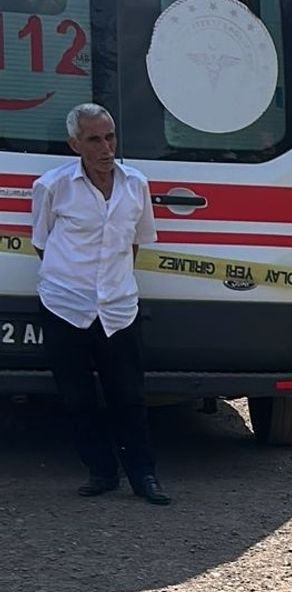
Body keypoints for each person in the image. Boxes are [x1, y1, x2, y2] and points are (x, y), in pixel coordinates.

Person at [30, 104, 171, 505]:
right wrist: (74, 282)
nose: (106, 147)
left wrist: (111, 283)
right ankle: (101, 472)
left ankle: (144, 476)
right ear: (75, 145)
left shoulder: (135, 185)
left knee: (129, 396)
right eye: (94, 139)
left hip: (118, 308)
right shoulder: (52, 186)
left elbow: (136, 243)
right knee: (77, 398)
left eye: (110, 137)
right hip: (64, 306)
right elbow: (42, 243)